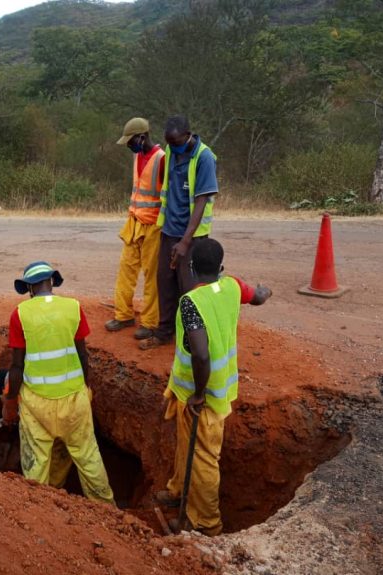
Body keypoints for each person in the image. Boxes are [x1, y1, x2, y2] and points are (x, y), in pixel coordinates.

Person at [155, 238, 272, 535]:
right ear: (221, 268)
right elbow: (256, 296)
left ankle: (207, 523)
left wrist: (198, 394)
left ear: (191, 267)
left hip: (203, 395)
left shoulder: (191, 303)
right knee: (186, 444)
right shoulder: (232, 286)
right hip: (203, 390)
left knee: (205, 459)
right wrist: (265, 291)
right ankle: (179, 491)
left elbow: (201, 354)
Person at [3, 261, 114, 504]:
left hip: (36, 404)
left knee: (36, 464)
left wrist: (10, 402)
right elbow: (83, 355)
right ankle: (108, 511)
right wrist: (85, 389)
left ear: (29, 288)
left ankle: (41, 511)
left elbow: (17, 366)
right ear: (52, 282)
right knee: (88, 457)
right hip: (74, 399)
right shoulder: (73, 308)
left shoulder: (20, 314)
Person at [140, 115, 218, 350]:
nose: (172, 147)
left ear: (188, 134)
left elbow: (202, 200)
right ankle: (164, 332)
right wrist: (165, 230)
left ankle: (192, 339)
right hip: (169, 230)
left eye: (176, 142)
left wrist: (185, 242)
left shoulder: (204, 158)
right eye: (169, 143)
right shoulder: (172, 149)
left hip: (191, 237)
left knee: (189, 289)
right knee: (164, 282)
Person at [105, 117, 166, 341]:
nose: (130, 146)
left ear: (142, 137)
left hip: (153, 227)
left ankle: (150, 323)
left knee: (151, 276)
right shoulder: (137, 156)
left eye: (131, 141)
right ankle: (123, 315)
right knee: (126, 269)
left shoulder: (162, 159)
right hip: (134, 222)